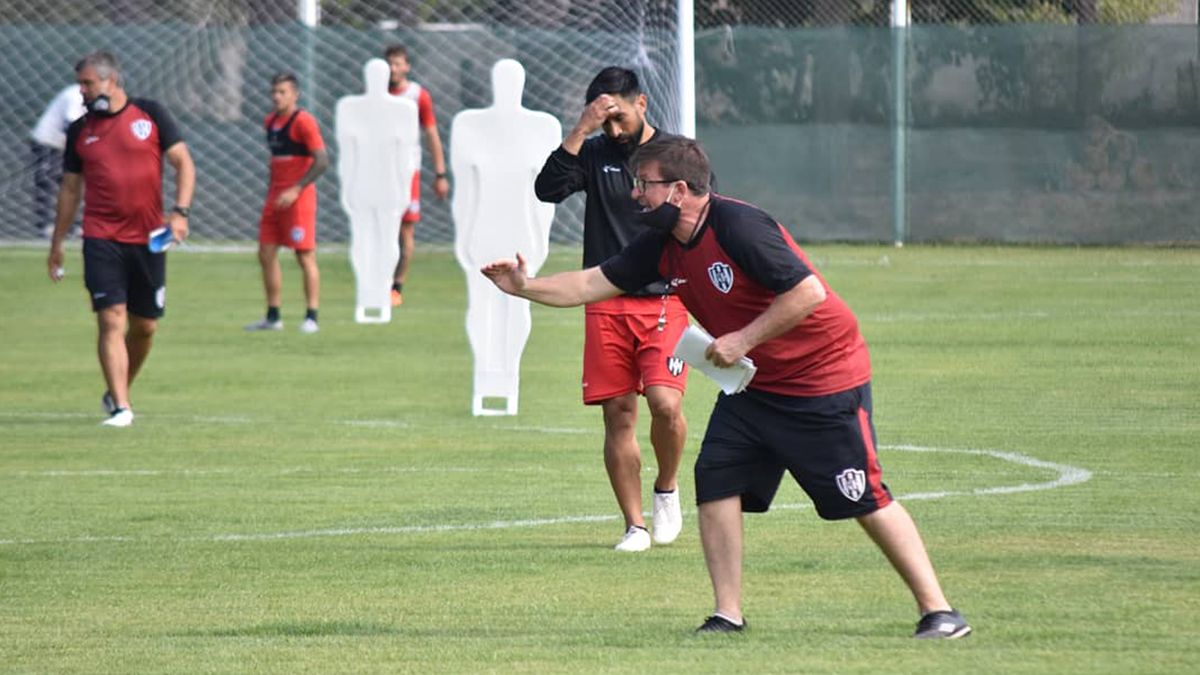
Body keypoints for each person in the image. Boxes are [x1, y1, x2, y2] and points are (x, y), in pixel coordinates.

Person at [482, 136, 971, 639]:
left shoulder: (738, 225)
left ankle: (940, 612)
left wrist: (743, 338)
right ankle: (727, 615)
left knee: (861, 496)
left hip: (821, 378)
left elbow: (808, 292)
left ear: (678, 190)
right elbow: (591, 284)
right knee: (716, 479)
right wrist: (525, 287)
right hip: (755, 388)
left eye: (642, 185)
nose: (634, 196)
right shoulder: (663, 244)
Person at [532, 67, 689, 552]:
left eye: (619, 117)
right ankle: (635, 525)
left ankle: (666, 488)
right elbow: (548, 189)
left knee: (665, 404)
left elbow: (701, 215)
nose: (614, 130)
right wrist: (580, 129)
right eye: (605, 122)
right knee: (619, 414)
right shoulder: (594, 150)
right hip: (604, 299)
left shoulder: (677, 154)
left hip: (666, 297)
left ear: (641, 103)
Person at [46, 51, 195, 427]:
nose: (81, 91)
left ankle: (117, 390)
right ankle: (122, 408)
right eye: (80, 84)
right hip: (100, 237)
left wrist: (180, 213)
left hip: (148, 240)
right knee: (111, 319)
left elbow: (183, 163)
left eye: (87, 83)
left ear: (111, 81)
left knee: (145, 326)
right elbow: (70, 190)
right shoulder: (80, 130)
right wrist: (57, 245)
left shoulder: (151, 114)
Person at [244, 73, 329, 334]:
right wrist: (274, 191)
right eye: (274, 92)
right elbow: (276, 161)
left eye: (282, 92)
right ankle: (273, 316)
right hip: (275, 198)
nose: (276, 97)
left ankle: (311, 316)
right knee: (266, 253)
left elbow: (322, 161)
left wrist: (297, 189)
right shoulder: (270, 121)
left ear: (295, 94)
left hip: (298, 199)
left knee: (304, 255)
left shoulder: (303, 122)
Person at [384, 43, 450, 306]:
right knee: (380, 230)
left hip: (407, 172)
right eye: (390, 62)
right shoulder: (377, 95)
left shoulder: (417, 95)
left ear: (407, 67)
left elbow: (431, 134)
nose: (393, 68)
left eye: (398, 63)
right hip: (380, 173)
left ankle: (396, 287)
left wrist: (440, 173)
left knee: (405, 232)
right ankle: (378, 281)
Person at [29, 83, 86, 238]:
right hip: (48, 141)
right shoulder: (74, 96)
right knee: (48, 183)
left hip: (67, 144)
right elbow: (72, 126)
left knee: (75, 182)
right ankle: (46, 226)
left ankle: (76, 226)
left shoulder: (100, 98)